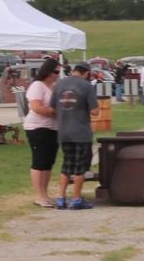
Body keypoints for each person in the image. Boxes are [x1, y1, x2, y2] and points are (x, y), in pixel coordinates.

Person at [51, 62, 99, 210]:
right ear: (86, 73)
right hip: (80, 132)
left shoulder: (59, 84)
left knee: (67, 165)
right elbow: (95, 111)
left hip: (64, 131)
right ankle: (77, 199)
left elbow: (52, 107)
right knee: (79, 167)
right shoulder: (87, 86)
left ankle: (61, 198)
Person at [23, 58, 61, 208]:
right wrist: (54, 112)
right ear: (48, 71)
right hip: (38, 127)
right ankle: (38, 195)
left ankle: (45, 193)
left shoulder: (53, 87)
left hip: (53, 127)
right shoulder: (37, 85)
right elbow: (36, 107)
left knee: (48, 161)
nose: (57, 75)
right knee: (39, 160)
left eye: (59, 72)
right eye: (55, 72)